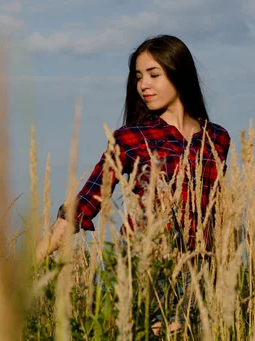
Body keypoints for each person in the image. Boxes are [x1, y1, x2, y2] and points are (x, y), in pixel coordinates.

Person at [35, 34, 230, 262]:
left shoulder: (216, 137)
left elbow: (219, 211)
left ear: (179, 74)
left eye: (154, 75)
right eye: (138, 77)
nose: (143, 85)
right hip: (144, 267)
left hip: (202, 272)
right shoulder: (131, 137)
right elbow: (85, 203)